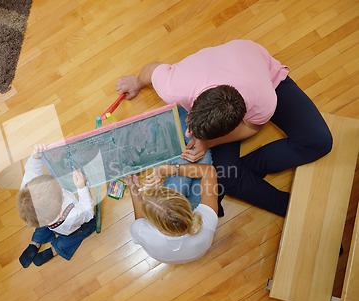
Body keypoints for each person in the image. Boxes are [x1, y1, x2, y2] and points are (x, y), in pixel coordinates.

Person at [116, 39, 332, 217]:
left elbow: (252, 128)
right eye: (191, 126)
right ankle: (281, 203)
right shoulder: (174, 85)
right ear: (192, 108)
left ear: (233, 125)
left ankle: (239, 176)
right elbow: (152, 68)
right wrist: (136, 82)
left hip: (263, 76)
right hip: (232, 64)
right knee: (229, 175)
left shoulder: (264, 100)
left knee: (319, 142)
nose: (189, 134)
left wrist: (208, 142)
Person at [16, 144, 96, 267]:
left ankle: (35, 243)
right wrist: (82, 188)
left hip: (48, 223)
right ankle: (55, 250)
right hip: (68, 227)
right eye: (61, 193)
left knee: (41, 226)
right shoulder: (72, 215)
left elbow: (31, 171)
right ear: (60, 210)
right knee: (84, 229)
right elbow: (88, 212)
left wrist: (35, 157)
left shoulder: (28, 190)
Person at [126, 163, 219, 264]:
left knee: (193, 163)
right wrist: (171, 169)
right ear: (185, 203)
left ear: (153, 223)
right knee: (200, 161)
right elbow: (209, 171)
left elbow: (139, 220)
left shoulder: (141, 231)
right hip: (196, 245)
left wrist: (133, 188)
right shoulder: (206, 222)